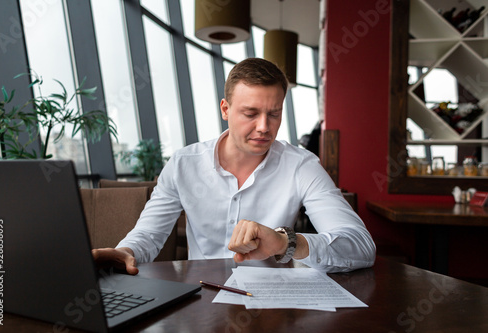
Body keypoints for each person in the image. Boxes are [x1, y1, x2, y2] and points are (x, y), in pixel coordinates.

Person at [93, 58, 375, 275]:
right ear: (225, 109)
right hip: (200, 299)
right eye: (250, 114)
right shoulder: (183, 164)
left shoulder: (301, 166)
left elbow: (361, 247)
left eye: (274, 114)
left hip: (271, 310)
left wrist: (285, 243)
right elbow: (149, 235)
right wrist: (125, 251)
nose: (264, 127)